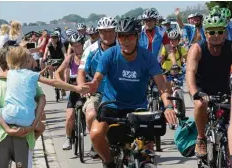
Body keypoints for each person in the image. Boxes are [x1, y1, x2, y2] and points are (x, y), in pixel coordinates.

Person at [85, 17, 176, 168]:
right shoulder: (109, 55)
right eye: (121, 36)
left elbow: (161, 85)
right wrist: (92, 85)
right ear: (117, 37)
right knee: (95, 134)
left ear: (137, 37)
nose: (125, 41)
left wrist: (168, 106)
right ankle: (109, 162)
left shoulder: (147, 57)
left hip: (138, 108)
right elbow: (97, 79)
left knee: (148, 151)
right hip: (112, 106)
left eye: (130, 36)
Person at [0, 46, 89, 141]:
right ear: (27, 61)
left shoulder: (10, 74)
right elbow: (54, 82)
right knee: (41, 127)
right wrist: (75, 88)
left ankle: (7, 129)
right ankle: (30, 146)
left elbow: (0, 74)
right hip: (28, 121)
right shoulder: (32, 75)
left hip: (8, 116)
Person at [186, 13, 232, 158]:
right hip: (202, 90)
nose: (216, 35)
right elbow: (190, 72)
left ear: (225, 33)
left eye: (219, 31)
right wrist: (194, 92)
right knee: (200, 105)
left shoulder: (230, 47)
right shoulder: (197, 49)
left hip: (224, 89)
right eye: (212, 31)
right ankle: (201, 138)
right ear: (206, 33)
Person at [77, 16, 118, 158]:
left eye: (110, 31)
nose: (107, 35)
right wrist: (82, 87)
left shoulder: (124, 46)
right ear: (99, 33)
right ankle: (97, 143)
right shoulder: (91, 50)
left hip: (120, 93)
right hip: (98, 92)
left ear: (115, 32)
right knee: (91, 115)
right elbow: (81, 71)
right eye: (103, 32)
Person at [0, 46, 46, 168]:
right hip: (24, 133)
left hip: (1, 133)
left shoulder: (0, 83)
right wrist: (34, 124)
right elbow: (42, 99)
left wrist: (7, 128)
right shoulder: (27, 79)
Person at [54, 32, 85, 150]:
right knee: (69, 117)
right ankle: (68, 138)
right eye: (73, 45)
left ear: (83, 45)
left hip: (87, 90)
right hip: (74, 90)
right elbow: (58, 72)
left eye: (78, 45)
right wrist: (61, 82)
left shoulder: (89, 56)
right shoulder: (70, 58)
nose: (76, 48)